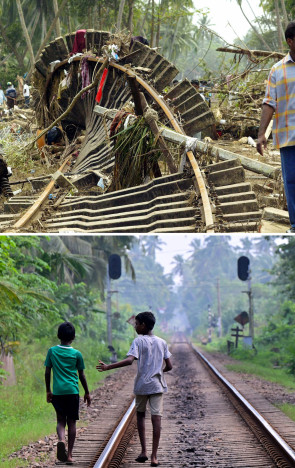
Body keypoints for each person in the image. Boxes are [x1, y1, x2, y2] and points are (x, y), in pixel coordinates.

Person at [97, 311, 172, 467]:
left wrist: (108, 366)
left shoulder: (138, 341)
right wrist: (158, 372)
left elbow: (130, 360)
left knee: (140, 416)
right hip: (157, 386)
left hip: (142, 386)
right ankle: (154, 457)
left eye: (136, 324)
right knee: (156, 418)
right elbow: (169, 366)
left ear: (143, 325)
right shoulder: (162, 342)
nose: (135, 327)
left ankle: (144, 451)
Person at [257, 21, 295, 233]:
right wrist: (262, 133)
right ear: (290, 41)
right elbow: (269, 102)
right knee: (291, 183)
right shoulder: (277, 70)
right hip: (288, 136)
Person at [44, 322, 91, 464]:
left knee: (60, 420)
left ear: (59, 336)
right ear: (73, 337)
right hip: (72, 392)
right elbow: (81, 375)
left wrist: (48, 390)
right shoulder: (77, 354)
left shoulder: (52, 351)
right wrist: (87, 392)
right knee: (72, 422)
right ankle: (69, 455)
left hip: (58, 392)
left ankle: (61, 440)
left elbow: (47, 372)